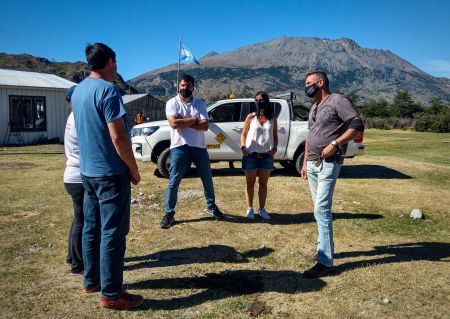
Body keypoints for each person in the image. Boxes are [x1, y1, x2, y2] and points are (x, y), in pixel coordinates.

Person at [71, 43, 143, 310]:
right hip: (111, 174)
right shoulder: (109, 90)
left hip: (87, 172)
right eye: (117, 63)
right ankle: (112, 294)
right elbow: (119, 136)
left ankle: (92, 280)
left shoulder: (79, 91)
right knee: (113, 233)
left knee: (92, 228)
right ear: (110, 62)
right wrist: (133, 170)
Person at [300, 71, 364, 279]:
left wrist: (335, 144)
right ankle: (322, 251)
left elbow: (356, 125)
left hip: (329, 162)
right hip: (312, 163)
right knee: (318, 210)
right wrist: (305, 161)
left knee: (322, 209)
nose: (306, 87)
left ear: (320, 83)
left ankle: (325, 262)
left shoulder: (338, 100)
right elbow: (311, 135)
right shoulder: (314, 107)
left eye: (309, 83)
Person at [160, 74, 225, 229]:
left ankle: (211, 207)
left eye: (188, 86)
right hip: (179, 147)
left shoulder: (200, 103)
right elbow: (174, 123)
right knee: (174, 181)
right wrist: (194, 119)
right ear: (178, 86)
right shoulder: (172, 103)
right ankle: (169, 213)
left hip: (199, 147)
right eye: (182, 85)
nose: (185, 88)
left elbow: (205, 126)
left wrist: (185, 121)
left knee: (207, 179)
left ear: (193, 87)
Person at [240, 91, 278, 220]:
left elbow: (275, 135)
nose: (258, 102)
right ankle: (250, 209)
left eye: (261, 99)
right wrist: (243, 148)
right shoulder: (250, 117)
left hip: (266, 156)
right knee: (250, 183)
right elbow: (244, 134)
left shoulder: (273, 119)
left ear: (266, 101)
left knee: (263, 184)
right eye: (256, 100)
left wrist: (274, 149)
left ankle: (262, 209)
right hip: (251, 155)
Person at [63, 85, 84, 276]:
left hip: (71, 174)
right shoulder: (80, 118)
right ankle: (78, 264)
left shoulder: (71, 117)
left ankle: (71, 256)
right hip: (79, 176)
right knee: (83, 221)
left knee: (78, 219)